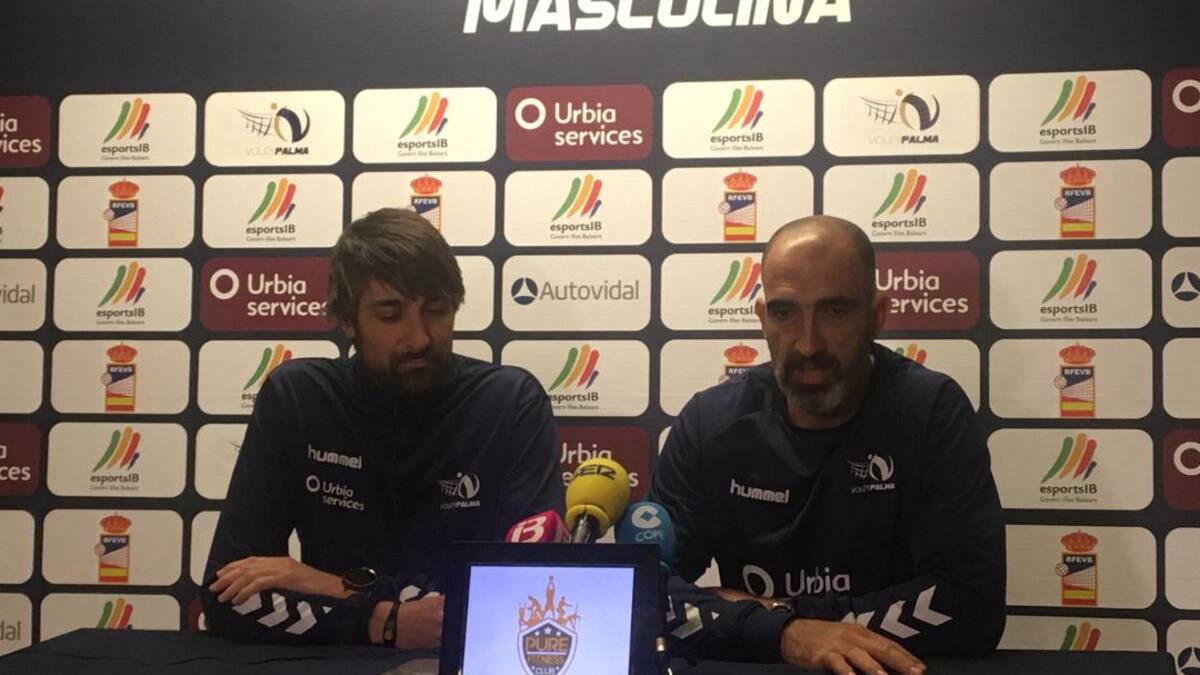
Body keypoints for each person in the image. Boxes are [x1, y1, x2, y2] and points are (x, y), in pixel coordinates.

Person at [651, 215, 1005, 675]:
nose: (808, 343)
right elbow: (645, 594)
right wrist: (787, 634)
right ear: (763, 319)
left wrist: (778, 617)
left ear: (877, 315)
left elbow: (972, 606)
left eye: (835, 311)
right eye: (785, 313)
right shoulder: (711, 422)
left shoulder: (931, 411)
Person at [202, 208, 563, 647]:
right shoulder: (298, 397)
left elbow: (526, 598)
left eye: (436, 310)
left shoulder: (509, 403)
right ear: (347, 320)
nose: (419, 338)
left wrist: (328, 585)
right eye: (391, 316)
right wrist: (382, 621)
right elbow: (227, 598)